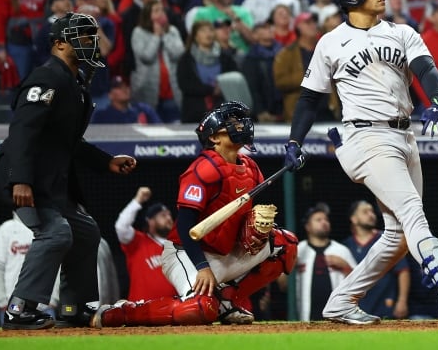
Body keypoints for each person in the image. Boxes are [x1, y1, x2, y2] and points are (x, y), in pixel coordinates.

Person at [282, 0, 438, 325]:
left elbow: (425, 68)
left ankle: (341, 303)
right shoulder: (331, 42)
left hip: (404, 135)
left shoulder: (402, 32)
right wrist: (294, 140)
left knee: (398, 237)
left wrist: (437, 100)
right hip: (365, 137)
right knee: (412, 211)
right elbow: (309, 98)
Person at [0, 12, 138, 330]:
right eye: (82, 36)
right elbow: (23, 130)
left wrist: (105, 161)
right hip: (21, 176)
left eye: (91, 36)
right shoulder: (47, 77)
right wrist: (21, 180)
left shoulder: (76, 84)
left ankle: (74, 308)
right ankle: (19, 309)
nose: (90, 42)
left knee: (85, 232)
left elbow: (70, 142)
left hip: (48, 182)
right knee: (55, 233)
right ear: (58, 44)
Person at [92, 102, 299, 327]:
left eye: (239, 121)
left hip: (225, 251)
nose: (240, 125)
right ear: (214, 138)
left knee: (285, 245)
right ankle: (122, 312)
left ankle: (226, 301)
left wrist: (252, 230)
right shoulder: (203, 169)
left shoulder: (250, 167)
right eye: (231, 123)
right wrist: (202, 267)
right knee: (199, 309)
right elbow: (185, 224)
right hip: (187, 252)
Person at [0, 211, 60, 324]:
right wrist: (2, 301)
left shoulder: (49, 227)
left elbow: (57, 265)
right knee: (10, 341)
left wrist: (54, 298)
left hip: (44, 305)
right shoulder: (6, 229)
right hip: (12, 306)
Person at [343, 200, 410, 319]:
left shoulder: (387, 239)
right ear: (354, 219)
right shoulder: (346, 245)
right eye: (365, 212)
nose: (371, 214)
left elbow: (403, 271)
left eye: (372, 211)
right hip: (358, 305)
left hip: (385, 304)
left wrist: (402, 300)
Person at [114, 186, 177, 301]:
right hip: (141, 313)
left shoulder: (177, 246)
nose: (168, 218)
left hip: (173, 311)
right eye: (163, 215)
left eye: (169, 214)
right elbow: (121, 227)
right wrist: (138, 200)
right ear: (150, 221)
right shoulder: (138, 242)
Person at [296, 203, 357, 322]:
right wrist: (291, 264)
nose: (324, 222)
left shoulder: (341, 250)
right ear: (307, 226)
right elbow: (283, 285)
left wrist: (345, 266)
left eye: (326, 219)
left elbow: (359, 284)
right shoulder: (299, 250)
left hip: (338, 314)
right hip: (305, 313)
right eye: (318, 220)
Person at [130, 0, 185, 123]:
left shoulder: (172, 31)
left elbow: (178, 53)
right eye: (156, 11)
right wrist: (156, 36)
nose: (161, 14)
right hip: (147, 93)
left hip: (171, 93)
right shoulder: (138, 32)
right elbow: (146, 56)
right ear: (147, 15)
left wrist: (164, 34)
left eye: (162, 10)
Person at [176, 20, 242, 123]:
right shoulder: (186, 59)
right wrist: (211, 90)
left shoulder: (225, 58)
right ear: (195, 36)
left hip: (223, 114)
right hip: (194, 114)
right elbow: (185, 84)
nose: (208, 34)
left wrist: (223, 88)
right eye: (203, 31)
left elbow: (234, 79)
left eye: (210, 30)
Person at [91, 75, 162, 124]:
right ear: (110, 95)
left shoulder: (143, 109)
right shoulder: (102, 116)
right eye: (119, 87)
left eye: (126, 86)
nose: (124, 89)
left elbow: (161, 129)